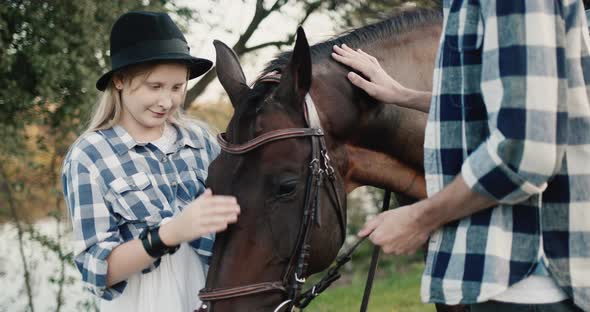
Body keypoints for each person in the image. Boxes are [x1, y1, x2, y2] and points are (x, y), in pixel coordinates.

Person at [332, 1, 590, 311]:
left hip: (531, 281)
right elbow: (503, 102)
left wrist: (419, 218)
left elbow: (527, 149)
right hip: (508, 277)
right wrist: (402, 95)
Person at [61, 11, 240, 312]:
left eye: (176, 88)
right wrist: (169, 234)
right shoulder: (89, 155)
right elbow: (96, 270)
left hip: (212, 297)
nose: (166, 101)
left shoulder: (199, 140)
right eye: (154, 87)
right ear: (119, 80)